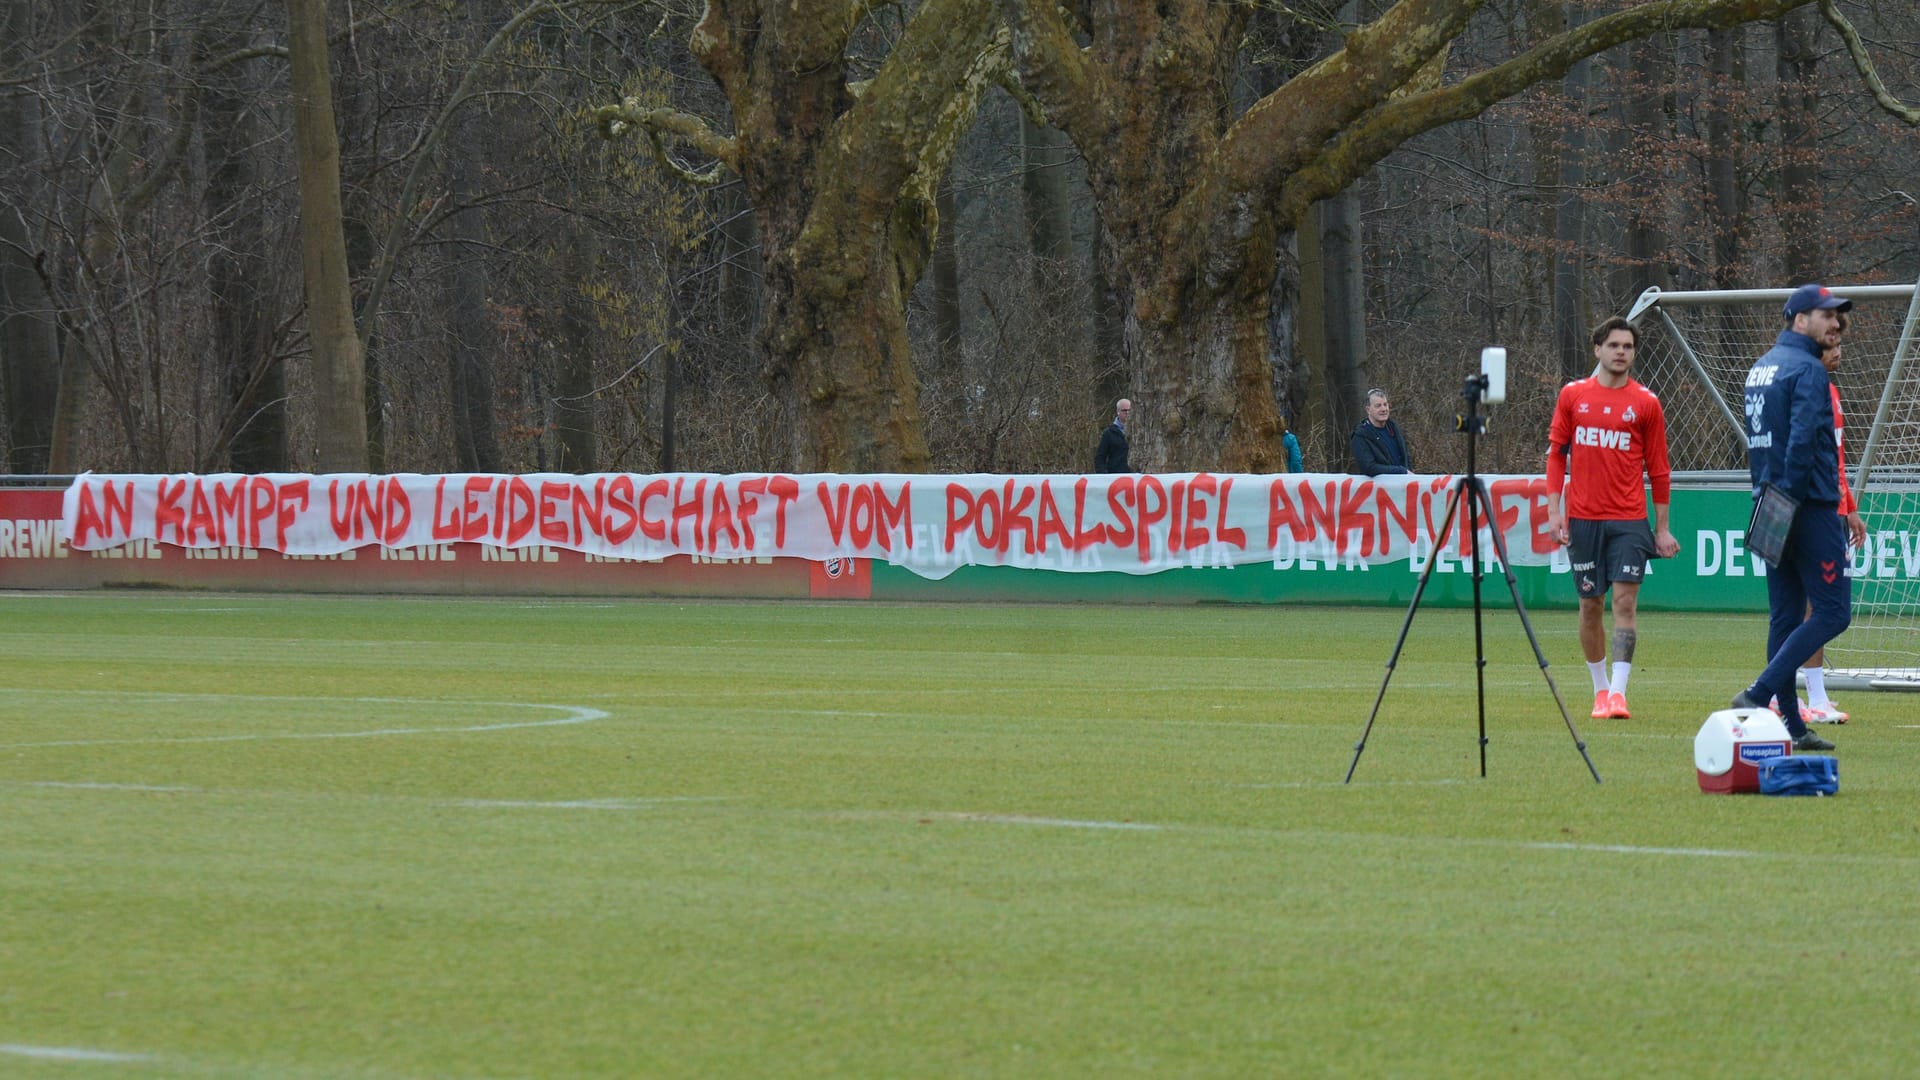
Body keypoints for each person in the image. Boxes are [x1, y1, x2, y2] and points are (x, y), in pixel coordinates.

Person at [1730, 283, 1853, 752]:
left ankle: (1793, 729)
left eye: (1837, 317)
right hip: (1807, 506)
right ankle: (1760, 694)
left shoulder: (1762, 366)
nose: (1836, 324)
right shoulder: (1808, 369)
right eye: (1827, 315)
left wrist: (1775, 501)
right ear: (1800, 319)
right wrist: (1797, 502)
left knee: (1783, 618)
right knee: (1834, 612)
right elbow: (1801, 442)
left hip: (1767, 501)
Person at [1546, 316, 1680, 721]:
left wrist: (1662, 527)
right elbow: (1556, 455)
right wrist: (1555, 511)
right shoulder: (1573, 396)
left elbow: (1659, 469)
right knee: (1591, 605)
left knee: (1624, 602)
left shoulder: (1646, 403)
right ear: (1598, 350)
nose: (1622, 352)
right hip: (1584, 519)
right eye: (1615, 345)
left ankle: (1619, 695)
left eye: (1628, 346)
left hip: (1628, 519)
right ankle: (1600, 690)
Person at [1788, 315, 1868, 723]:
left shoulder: (1831, 392)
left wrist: (1850, 506)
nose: (1838, 353)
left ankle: (1812, 694)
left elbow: (1834, 460)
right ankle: (1791, 693)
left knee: (1819, 607)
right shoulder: (1804, 388)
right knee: (1820, 607)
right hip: (1811, 514)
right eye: (1832, 346)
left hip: (1832, 512)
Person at [1350, 389, 1412, 475]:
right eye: (1378, 406)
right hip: (1377, 487)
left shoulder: (1394, 428)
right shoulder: (1360, 436)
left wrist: (1407, 473)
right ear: (1368, 410)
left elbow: (1406, 456)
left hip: (1402, 485)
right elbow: (1369, 468)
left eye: (1385, 404)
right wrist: (1401, 471)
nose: (1383, 409)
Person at [1093, 398, 1132, 473]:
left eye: (1129, 410)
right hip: (1116, 477)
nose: (1127, 413)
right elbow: (1100, 457)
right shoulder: (1109, 433)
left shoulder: (1139, 433)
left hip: (1136, 478)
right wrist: (1105, 476)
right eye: (1124, 410)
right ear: (1118, 412)